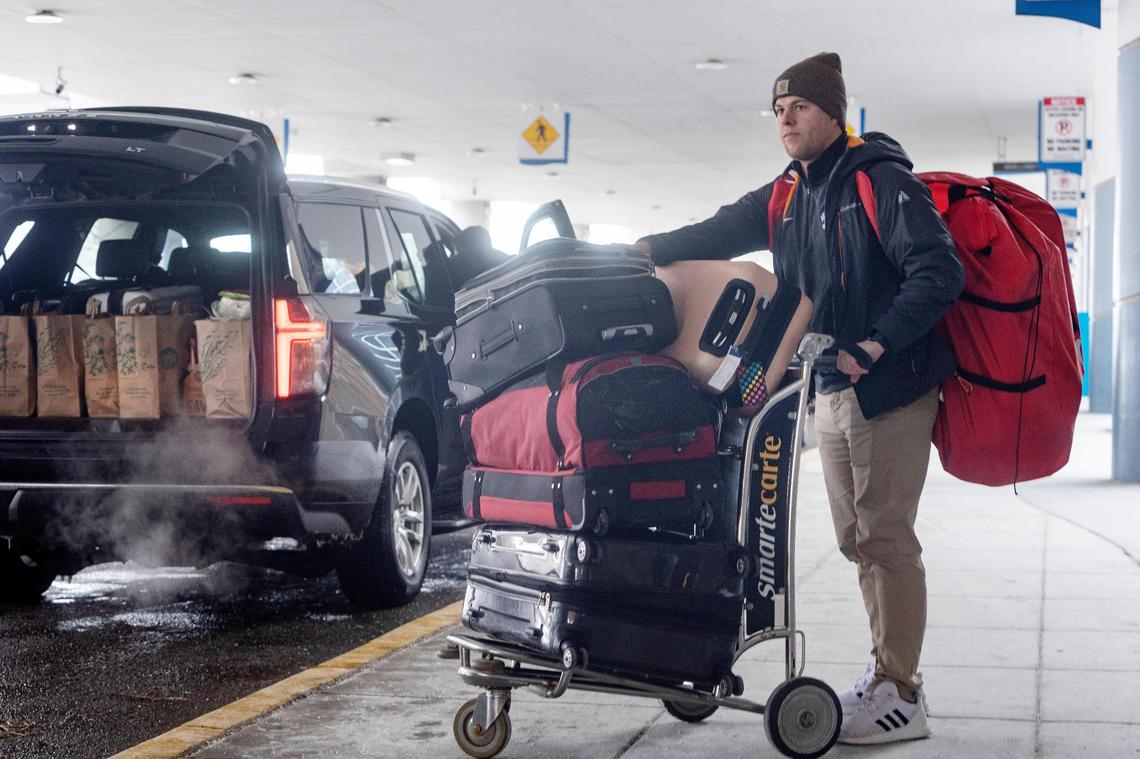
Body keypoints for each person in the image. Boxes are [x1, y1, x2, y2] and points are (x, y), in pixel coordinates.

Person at [632, 52, 964, 745]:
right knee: (856, 539)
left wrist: (873, 343)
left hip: (891, 384)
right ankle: (883, 677)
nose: (786, 118)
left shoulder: (880, 180)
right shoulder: (790, 192)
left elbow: (938, 270)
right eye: (778, 109)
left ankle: (902, 690)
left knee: (887, 537)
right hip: (833, 389)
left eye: (800, 107)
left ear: (832, 112)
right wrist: (643, 248)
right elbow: (719, 231)